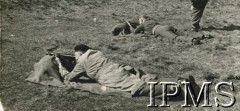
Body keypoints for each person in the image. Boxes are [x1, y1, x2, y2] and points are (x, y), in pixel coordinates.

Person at [54, 44, 200, 98]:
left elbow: (71, 77)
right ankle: (179, 80)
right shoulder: (96, 52)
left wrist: (60, 64)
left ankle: (180, 89)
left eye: (75, 55)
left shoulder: (81, 60)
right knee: (143, 80)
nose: (74, 58)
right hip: (117, 68)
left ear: (79, 53)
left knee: (141, 88)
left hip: (109, 76)